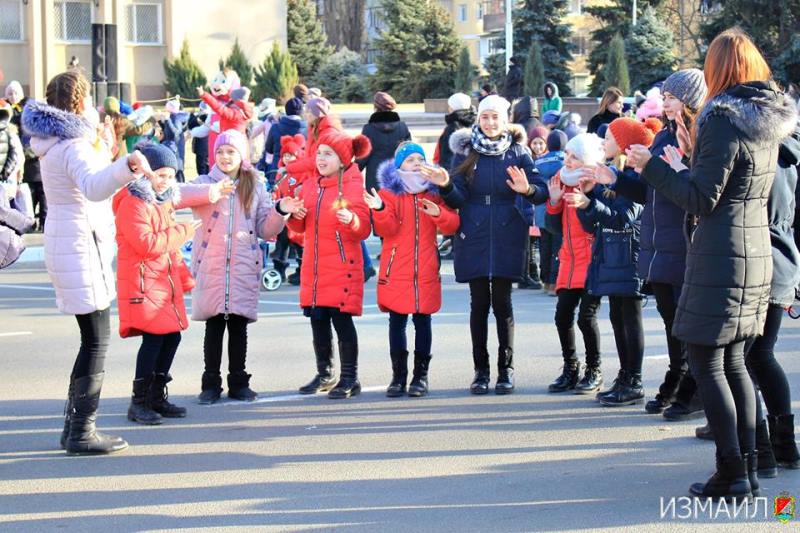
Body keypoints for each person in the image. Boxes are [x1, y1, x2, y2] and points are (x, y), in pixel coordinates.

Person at [626, 28, 797, 501]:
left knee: (707, 360)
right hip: (754, 252)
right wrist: (685, 162)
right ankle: (749, 466)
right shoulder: (765, 119)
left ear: (720, 69)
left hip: (722, 256)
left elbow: (702, 198)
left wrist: (651, 166)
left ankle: (733, 473)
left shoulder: (722, 118)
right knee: (736, 361)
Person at [22, 70, 153, 455]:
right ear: (80, 103)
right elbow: (95, 187)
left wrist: (108, 154)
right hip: (81, 246)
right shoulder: (73, 145)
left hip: (68, 241)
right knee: (96, 341)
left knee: (90, 340)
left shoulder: (53, 141)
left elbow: (88, 177)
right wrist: (126, 165)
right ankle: (82, 430)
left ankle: (73, 427)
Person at [597, 69, 708, 420]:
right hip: (657, 242)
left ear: (690, 100)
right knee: (669, 319)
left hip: (682, 240)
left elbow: (691, 189)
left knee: (683, 323)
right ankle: (677, 382)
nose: (666, 102)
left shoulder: (698, 134)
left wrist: (677, 169)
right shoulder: (663, 135)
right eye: (666, 97)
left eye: (672, 97)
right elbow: (649, 190)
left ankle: (688, 388)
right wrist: (615, 178)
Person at [420, 95, 548, 395]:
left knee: (503, 304)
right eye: (485, 117)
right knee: (478, 305)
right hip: (473, 230)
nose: (490, 123)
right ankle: (481, 371)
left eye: (496, 118)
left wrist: (527, 189)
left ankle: (506, 371)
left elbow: (541, 191)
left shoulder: (518, 151)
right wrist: (446, 184)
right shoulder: (465, 151)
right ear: (479, 119)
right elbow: (458, 199)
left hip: (507, 229)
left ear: (505, 121)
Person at [696, 118, 800, 476]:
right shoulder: (787, 155)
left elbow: (725, 203)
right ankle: (781, 447)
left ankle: (767, 450)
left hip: (758, 258)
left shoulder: (759, 157)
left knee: (743, 359)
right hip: (781, 258)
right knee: (758, 357)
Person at [112, 144, 229, 424]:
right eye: (160, 174)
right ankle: (138, 401)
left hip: (161, 280)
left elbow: (169, 250)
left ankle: (155, 396)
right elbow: (148, 243)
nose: (165, 180)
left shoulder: (160, 200)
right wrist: (184, 232)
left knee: (171, 336)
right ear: (146, 172)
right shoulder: (133, 201)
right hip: (143, 281)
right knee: (154, 338)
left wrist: (185, 278)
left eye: (170, 175)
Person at [190, 130, 302, 404]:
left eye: (231, 152)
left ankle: (238, 381)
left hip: (242, 266)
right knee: (214, 327)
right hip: (212, 266)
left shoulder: (256, 185)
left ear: (243, 156)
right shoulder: (204, 183)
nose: (225, 157)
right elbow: (180, 196)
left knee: (238, 326)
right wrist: (212, 191)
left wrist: (280, 209)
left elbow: (265, 229)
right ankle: (210, 383)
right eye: (220, 152)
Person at [365, 142, 459, 397]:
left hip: (426, 267)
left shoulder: (433, 192)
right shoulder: (388, 194)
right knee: (397, 322)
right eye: (409, 159)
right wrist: (381, 210)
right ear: (398, 166)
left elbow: (452, 225)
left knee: (423, 321)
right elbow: (387, 230)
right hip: (397, 268)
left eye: (420, 158)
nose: (416, 162)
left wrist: (439, 212)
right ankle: (398, 377)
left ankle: (420, 377)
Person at [580, 117, 659, 406]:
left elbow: (625, 217)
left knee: (630, 318)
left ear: (624, 143)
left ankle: (634, 380)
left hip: (630, 255)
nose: (604, 142)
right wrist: (588, 196)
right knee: (617, 318)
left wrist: (593, 203)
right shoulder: (611, 172)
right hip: (611, 255)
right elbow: (594, 221)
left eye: (610, 137)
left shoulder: (636, 174)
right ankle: (624, 377)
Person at [288, 129, 372, 399]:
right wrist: (295, 215)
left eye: (328, 154)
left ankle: (350, 377)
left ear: (343, 159)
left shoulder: (353, 184)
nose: (321, 159)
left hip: (341, 264)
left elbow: (363, 228)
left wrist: (353, 220)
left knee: (342, 321)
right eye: (319, 153)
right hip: (313, 265)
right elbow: (299, 227)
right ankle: (325, 373)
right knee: (318, 319)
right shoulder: (311, 184)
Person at [545, 133, 605, 394]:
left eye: (575, 157)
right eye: (567, 155)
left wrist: (587, 203)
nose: (568, 161)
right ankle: (571, 367)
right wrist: (555, 201)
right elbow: (552, 227)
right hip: (569, 261)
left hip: (592, 262)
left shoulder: (596, 185)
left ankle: (594, 369)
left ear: (588, 161)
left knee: (586, 317)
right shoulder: (563, 182)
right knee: (562, 316)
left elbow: (599, 223)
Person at [435, 92, 476, 260]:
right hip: (467, 172)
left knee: (452, 210)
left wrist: (444, 179)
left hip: (452, 174)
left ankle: (454, 245)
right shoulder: (472, 122)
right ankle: (454, 243)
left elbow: (447, 155)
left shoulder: (452, 127)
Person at [358, 91, 411, 193]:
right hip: (397, 174)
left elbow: (363, 156)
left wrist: (351, 172)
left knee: (376, 206)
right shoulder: (402, 127)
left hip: (375, 175)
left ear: (375, 107)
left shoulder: (368, 129)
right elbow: (407, 153)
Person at [535, 130, 567, 295]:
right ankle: (555, 282)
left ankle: (545, 280)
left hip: (540, 209)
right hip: (558, 207)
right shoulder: (565, 161)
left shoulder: (539, 161)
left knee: (544, 246)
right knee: (558, 246)